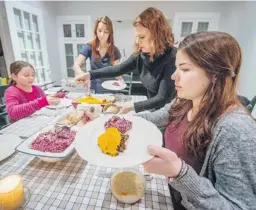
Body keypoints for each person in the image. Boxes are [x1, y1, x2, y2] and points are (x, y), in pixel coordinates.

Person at [138, 31, 256, 209]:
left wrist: (179, 172)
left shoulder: (235, 129)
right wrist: (108, 121)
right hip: (167, 195)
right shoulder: (184, 101)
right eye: (177, 67)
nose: (173, 76)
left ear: (215, 74)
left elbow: (239, 206)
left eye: (184, 69)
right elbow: (150, 120)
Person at [75, 7, 177, 114]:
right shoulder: (141, 55)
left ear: (157, 35)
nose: (137, 41)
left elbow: (162, 98)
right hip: (152, 107)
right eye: (136, 36)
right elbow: (118, 69)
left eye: (141, 37)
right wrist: (89, 75)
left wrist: (132, 106)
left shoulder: (171, 57)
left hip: (168, 112)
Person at [73, 16, 123, 93]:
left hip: (111, 90)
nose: (102, 34)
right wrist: (83, 75)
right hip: (94, 90)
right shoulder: (89, 47)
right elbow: (76, 65)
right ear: (96, 31)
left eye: (106, 32)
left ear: (110, 33)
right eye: (99, 31)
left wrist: (120, 80)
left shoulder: (114, 50)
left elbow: (116, 71)